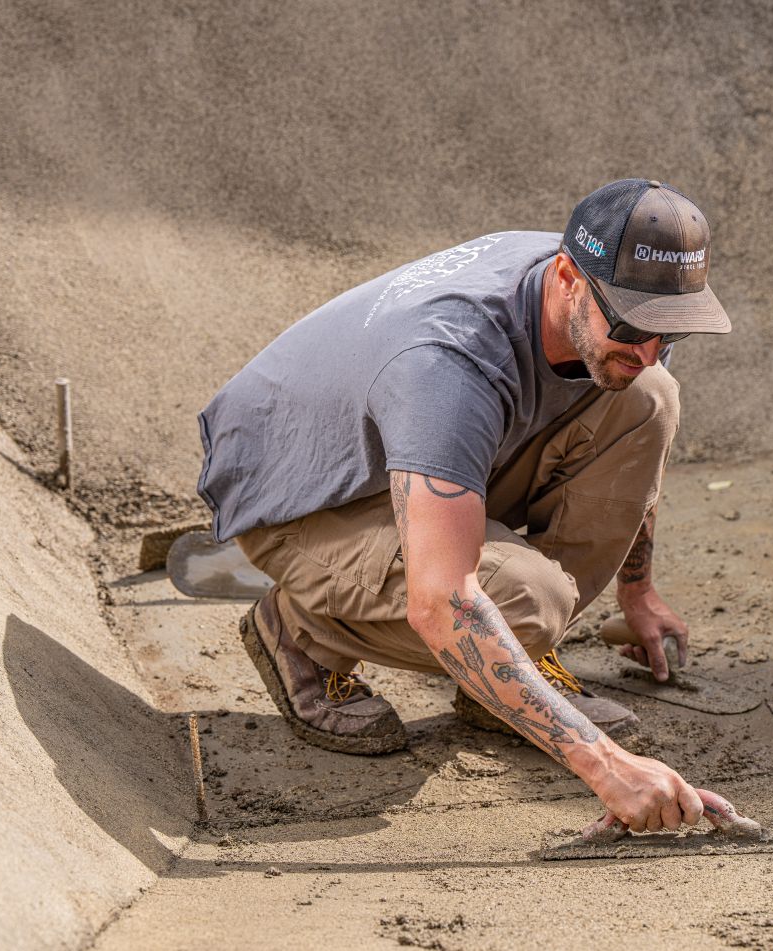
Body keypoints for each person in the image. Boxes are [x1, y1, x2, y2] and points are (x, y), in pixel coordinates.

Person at [198, 179, 733, 832]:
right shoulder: (449, 362)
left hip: (412, 459)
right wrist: (606, 766)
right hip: (303, 498)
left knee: (649, 395)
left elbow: (637, 409)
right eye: (631, 325)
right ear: (567, 275)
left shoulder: (613, 300)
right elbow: (442, 600)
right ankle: (300, 629)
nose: (648, 346)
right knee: (522, 600)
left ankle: (503, 676)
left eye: (668, 328)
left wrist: (638, 592)